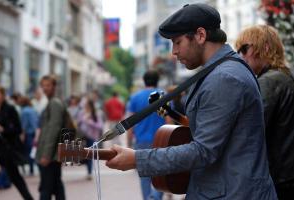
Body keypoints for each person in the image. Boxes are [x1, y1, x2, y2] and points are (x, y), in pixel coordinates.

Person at [105, 3, 277, 199]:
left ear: (201, 36)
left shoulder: (224, 78)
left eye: (177, 42)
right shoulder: (220, 72)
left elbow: (204, 151)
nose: (174, 51)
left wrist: (138, 158)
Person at [235, 24, 294, 199]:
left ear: (266, 48)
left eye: (244, 48)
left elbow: (247, 129)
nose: (241, 55)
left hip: (279, 178)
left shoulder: (269, 81)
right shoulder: (284, 76)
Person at [126, 70, 165, 200]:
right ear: (157, 81)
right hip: (161, 140)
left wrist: (128, 143)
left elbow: (129, 122)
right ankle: (155, 196)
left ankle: (148, 198)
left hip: (141, 141)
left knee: (145, 176)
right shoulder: (162, 95)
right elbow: (170, 121)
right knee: (162, 174)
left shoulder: (135, 97)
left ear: (144, 81)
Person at [0, 85, 33, 200]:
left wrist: (3, 129)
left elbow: (18, 129)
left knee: (15, 178)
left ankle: (28, 198)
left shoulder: (10, 109)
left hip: (8, 150)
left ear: (3, 95)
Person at [36, 75, 65, 200]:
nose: (45, 88)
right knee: (56, 185)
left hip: (51, 155)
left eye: (48, 85)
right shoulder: (52, 102)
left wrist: (46, 154)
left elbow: (54, 129)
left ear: (54, 86)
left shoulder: (54, 103)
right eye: (43, 85)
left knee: (46, 188)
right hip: (53, 154)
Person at [77, 99, 103, 180]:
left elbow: (100, 126)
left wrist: (89, 122)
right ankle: (88, 170)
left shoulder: (96, 114)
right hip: (82, 137)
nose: (85, 106)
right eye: (85, 104)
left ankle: (89, 172)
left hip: (92, 137)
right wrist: (82, 120)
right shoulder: (81, 113)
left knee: (90, 155)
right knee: (84, 154)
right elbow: (78, 123)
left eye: (87, 104)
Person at [20, 96, 39, 176]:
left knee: (29, 152)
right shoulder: (33, 110)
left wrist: (22, 134)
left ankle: (31, 169)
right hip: (35, 132)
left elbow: (24, 124)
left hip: (28, 133)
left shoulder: (24, 111)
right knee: (34, 151)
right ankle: (34, 168)